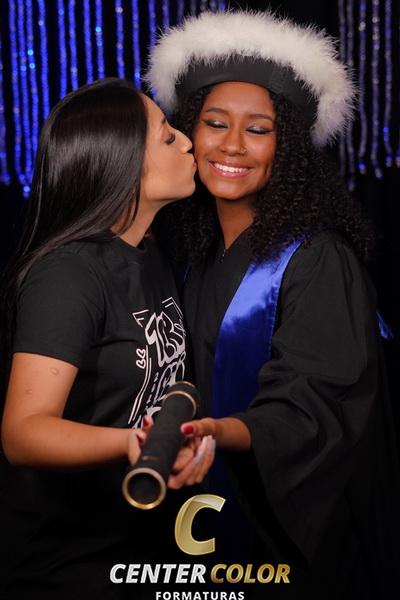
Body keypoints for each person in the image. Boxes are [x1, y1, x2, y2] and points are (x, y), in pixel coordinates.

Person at [148, 10, 400, 599]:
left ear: (285, 147)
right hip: (201, 513)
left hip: (293, 543)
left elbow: (317, 404)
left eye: (258, 130)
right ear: (189, 131)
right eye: (215, 123)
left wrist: (219, 431)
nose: (233, 145)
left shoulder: (318, 260)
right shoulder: (190, 251)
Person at [0, 78, 214, 600]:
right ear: (123, 162)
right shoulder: (68, 275)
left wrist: (184, 441)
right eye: (167, 136)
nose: (188, 141)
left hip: (143, 548)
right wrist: (131, 444)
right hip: (68, 567)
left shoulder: (148, 253)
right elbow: (23, 433)